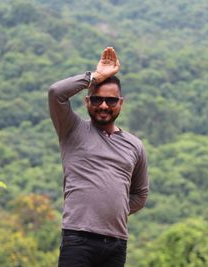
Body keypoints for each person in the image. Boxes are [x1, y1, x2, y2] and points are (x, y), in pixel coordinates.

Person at [48, 47, 149, 267]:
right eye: (96, 99)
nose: (103, 105)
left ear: (120, 103)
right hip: (77, 238)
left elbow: (140, 194)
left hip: (116, 243)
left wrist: (114, 209)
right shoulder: (72, 130)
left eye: (111, 101)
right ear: (87, 102)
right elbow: (56, 93)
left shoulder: (135, 146)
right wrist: (95, 77)